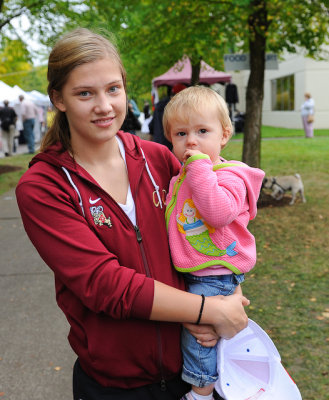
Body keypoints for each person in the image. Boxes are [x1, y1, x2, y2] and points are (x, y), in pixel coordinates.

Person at [16, 28, 250, 400]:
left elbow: (215, 228)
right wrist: (207, 309)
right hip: (115, 385)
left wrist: (228, 295)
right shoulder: (43, 187)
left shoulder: (159, 158)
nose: (104, 106)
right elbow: (104, 285)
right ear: (58, 99)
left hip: (193, 370)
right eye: (84, 93)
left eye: (113, 89)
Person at [163, 86, 265, 400]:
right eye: (181, 134)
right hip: (199, 269)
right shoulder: (182, 177)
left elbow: (217, 213)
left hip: (215, 273)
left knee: (199, 336)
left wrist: (198, 169)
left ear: (224, 135)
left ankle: (201, 390)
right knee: (205, 331)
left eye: (202, 131)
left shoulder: (230, 175)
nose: (190, 141)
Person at [149, 84, 187, 150]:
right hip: (172, 146)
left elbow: (151, 125)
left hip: (158, 143)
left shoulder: (159, 105)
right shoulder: (180, 108)